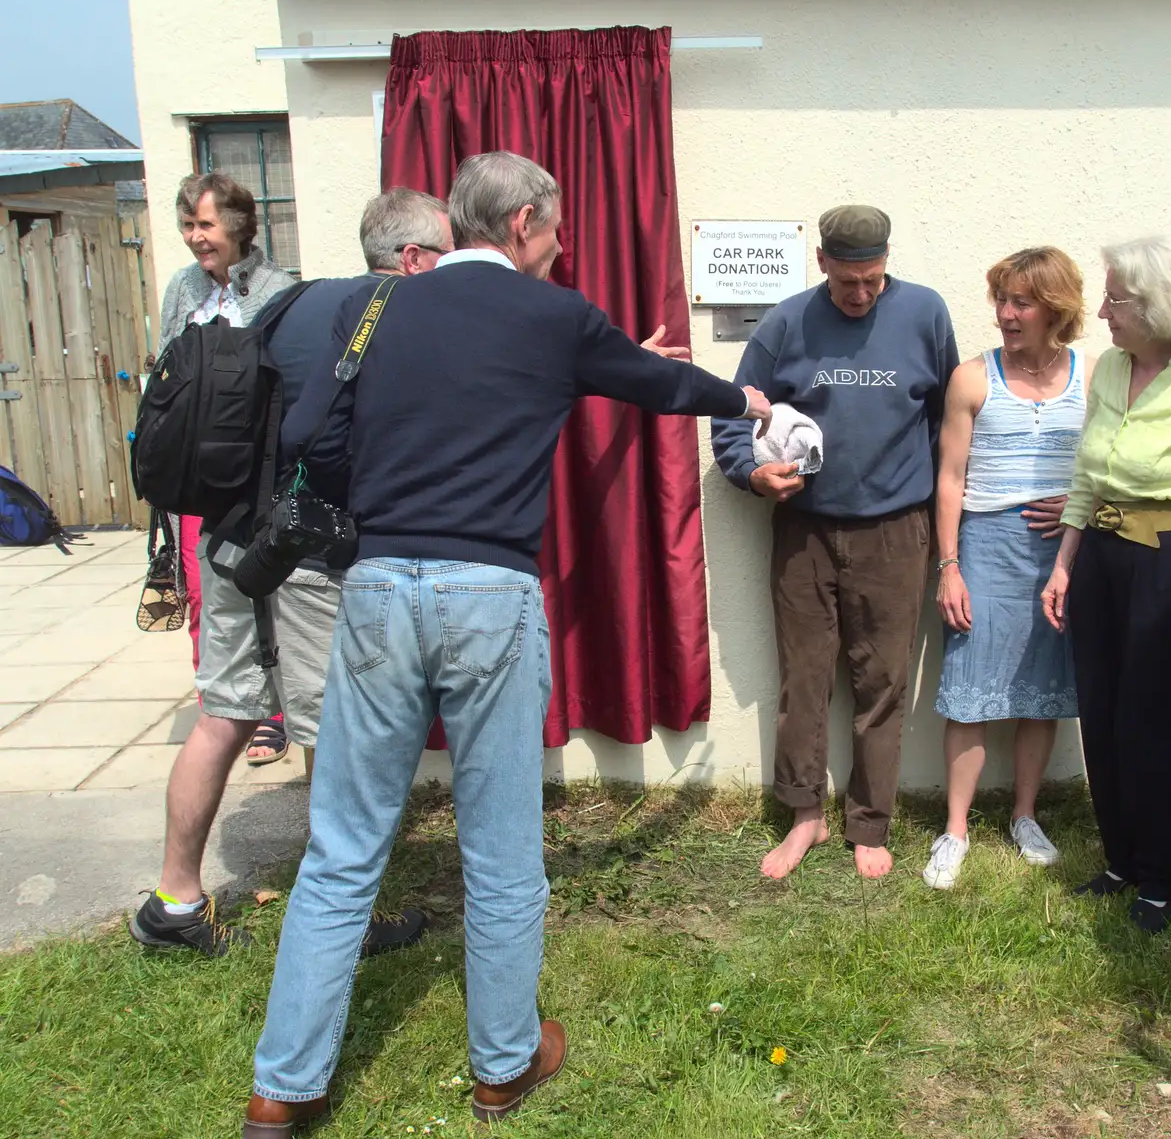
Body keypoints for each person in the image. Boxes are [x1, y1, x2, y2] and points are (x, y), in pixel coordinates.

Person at [240, 152, 771, 1136]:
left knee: (343, 849)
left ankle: (283, 1089)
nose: (560, 241)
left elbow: (306, 431)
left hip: (379, 587)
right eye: (556, 226)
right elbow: (656, 385)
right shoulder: (554, 314)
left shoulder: (376, 305)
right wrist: (749, 402)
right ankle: (502, 1066)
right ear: (523, 222)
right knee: (500, 851)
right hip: (489, 592)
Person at [128, 188, 453, 959]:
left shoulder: (290, 303)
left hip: (234, 539)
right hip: (303, 559)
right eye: (446, 256)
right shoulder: (390, 319)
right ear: (411, 260)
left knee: (224, 716)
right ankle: (345, 911)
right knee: (334, 733)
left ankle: (174, 899)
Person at [711, 205, 959, 881]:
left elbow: (948, 426)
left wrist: (947, 539)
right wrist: (752, 472)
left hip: (896, 530)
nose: (860, 294)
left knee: (882, 679)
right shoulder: (786, 322)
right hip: (804, 527)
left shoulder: (926, 315)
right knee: (805, 675)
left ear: (887, 264)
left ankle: (869, 822)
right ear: (821, 262)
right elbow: (735, 414)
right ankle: (804, 816)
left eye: (873, 281)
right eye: (848, 280)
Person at [1040, 236, 1171, 935]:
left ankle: (1164, 878)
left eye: (1116, 299)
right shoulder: (1108, 369)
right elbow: (1086, 476)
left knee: (1151, 723)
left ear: (1161, 306)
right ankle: (1120, 861)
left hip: (1168, 557)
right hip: (1099, 552)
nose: (1102, 310)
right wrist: (1064, 563)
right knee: (1100, 714)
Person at [923, 247, 1090, 890]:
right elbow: (950, 479)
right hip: (985, 546)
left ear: (1057, 308)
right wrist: (950, 566)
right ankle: (956, 829)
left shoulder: (1092, 374)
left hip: (1059, 553)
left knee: (1040, 691)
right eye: (1002, 300)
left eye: (1021, 302)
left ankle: (1025, 816)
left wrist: (1078, 509)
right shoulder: (973, 377)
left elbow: (1103, 464)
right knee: (969, 693)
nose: (1006, 314)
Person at [158, 173, 299, 764]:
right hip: (195, 474)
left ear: (239, 225)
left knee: (262, 588)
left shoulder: (279, 288)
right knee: (200, 593)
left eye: (206, 225)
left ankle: (273, 712)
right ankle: (219, 702)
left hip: (254, 473)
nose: (195, 238)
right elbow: (162, 378)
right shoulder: (181, 289)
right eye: (188, 225)